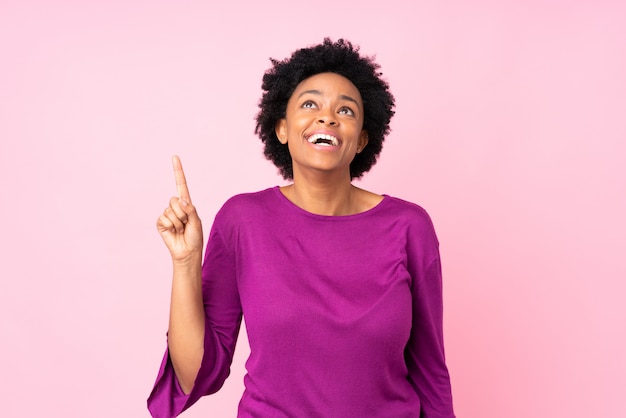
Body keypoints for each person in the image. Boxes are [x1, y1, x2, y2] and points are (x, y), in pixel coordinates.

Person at [148, 38, 455, 418]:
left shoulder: (410, 227)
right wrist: (185, 263)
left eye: (346, 110)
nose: (327, 117)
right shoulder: (242, 220)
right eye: (310, 104)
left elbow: (430, 372)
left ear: (361, 139)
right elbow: (197, 375)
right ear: (281, 128)